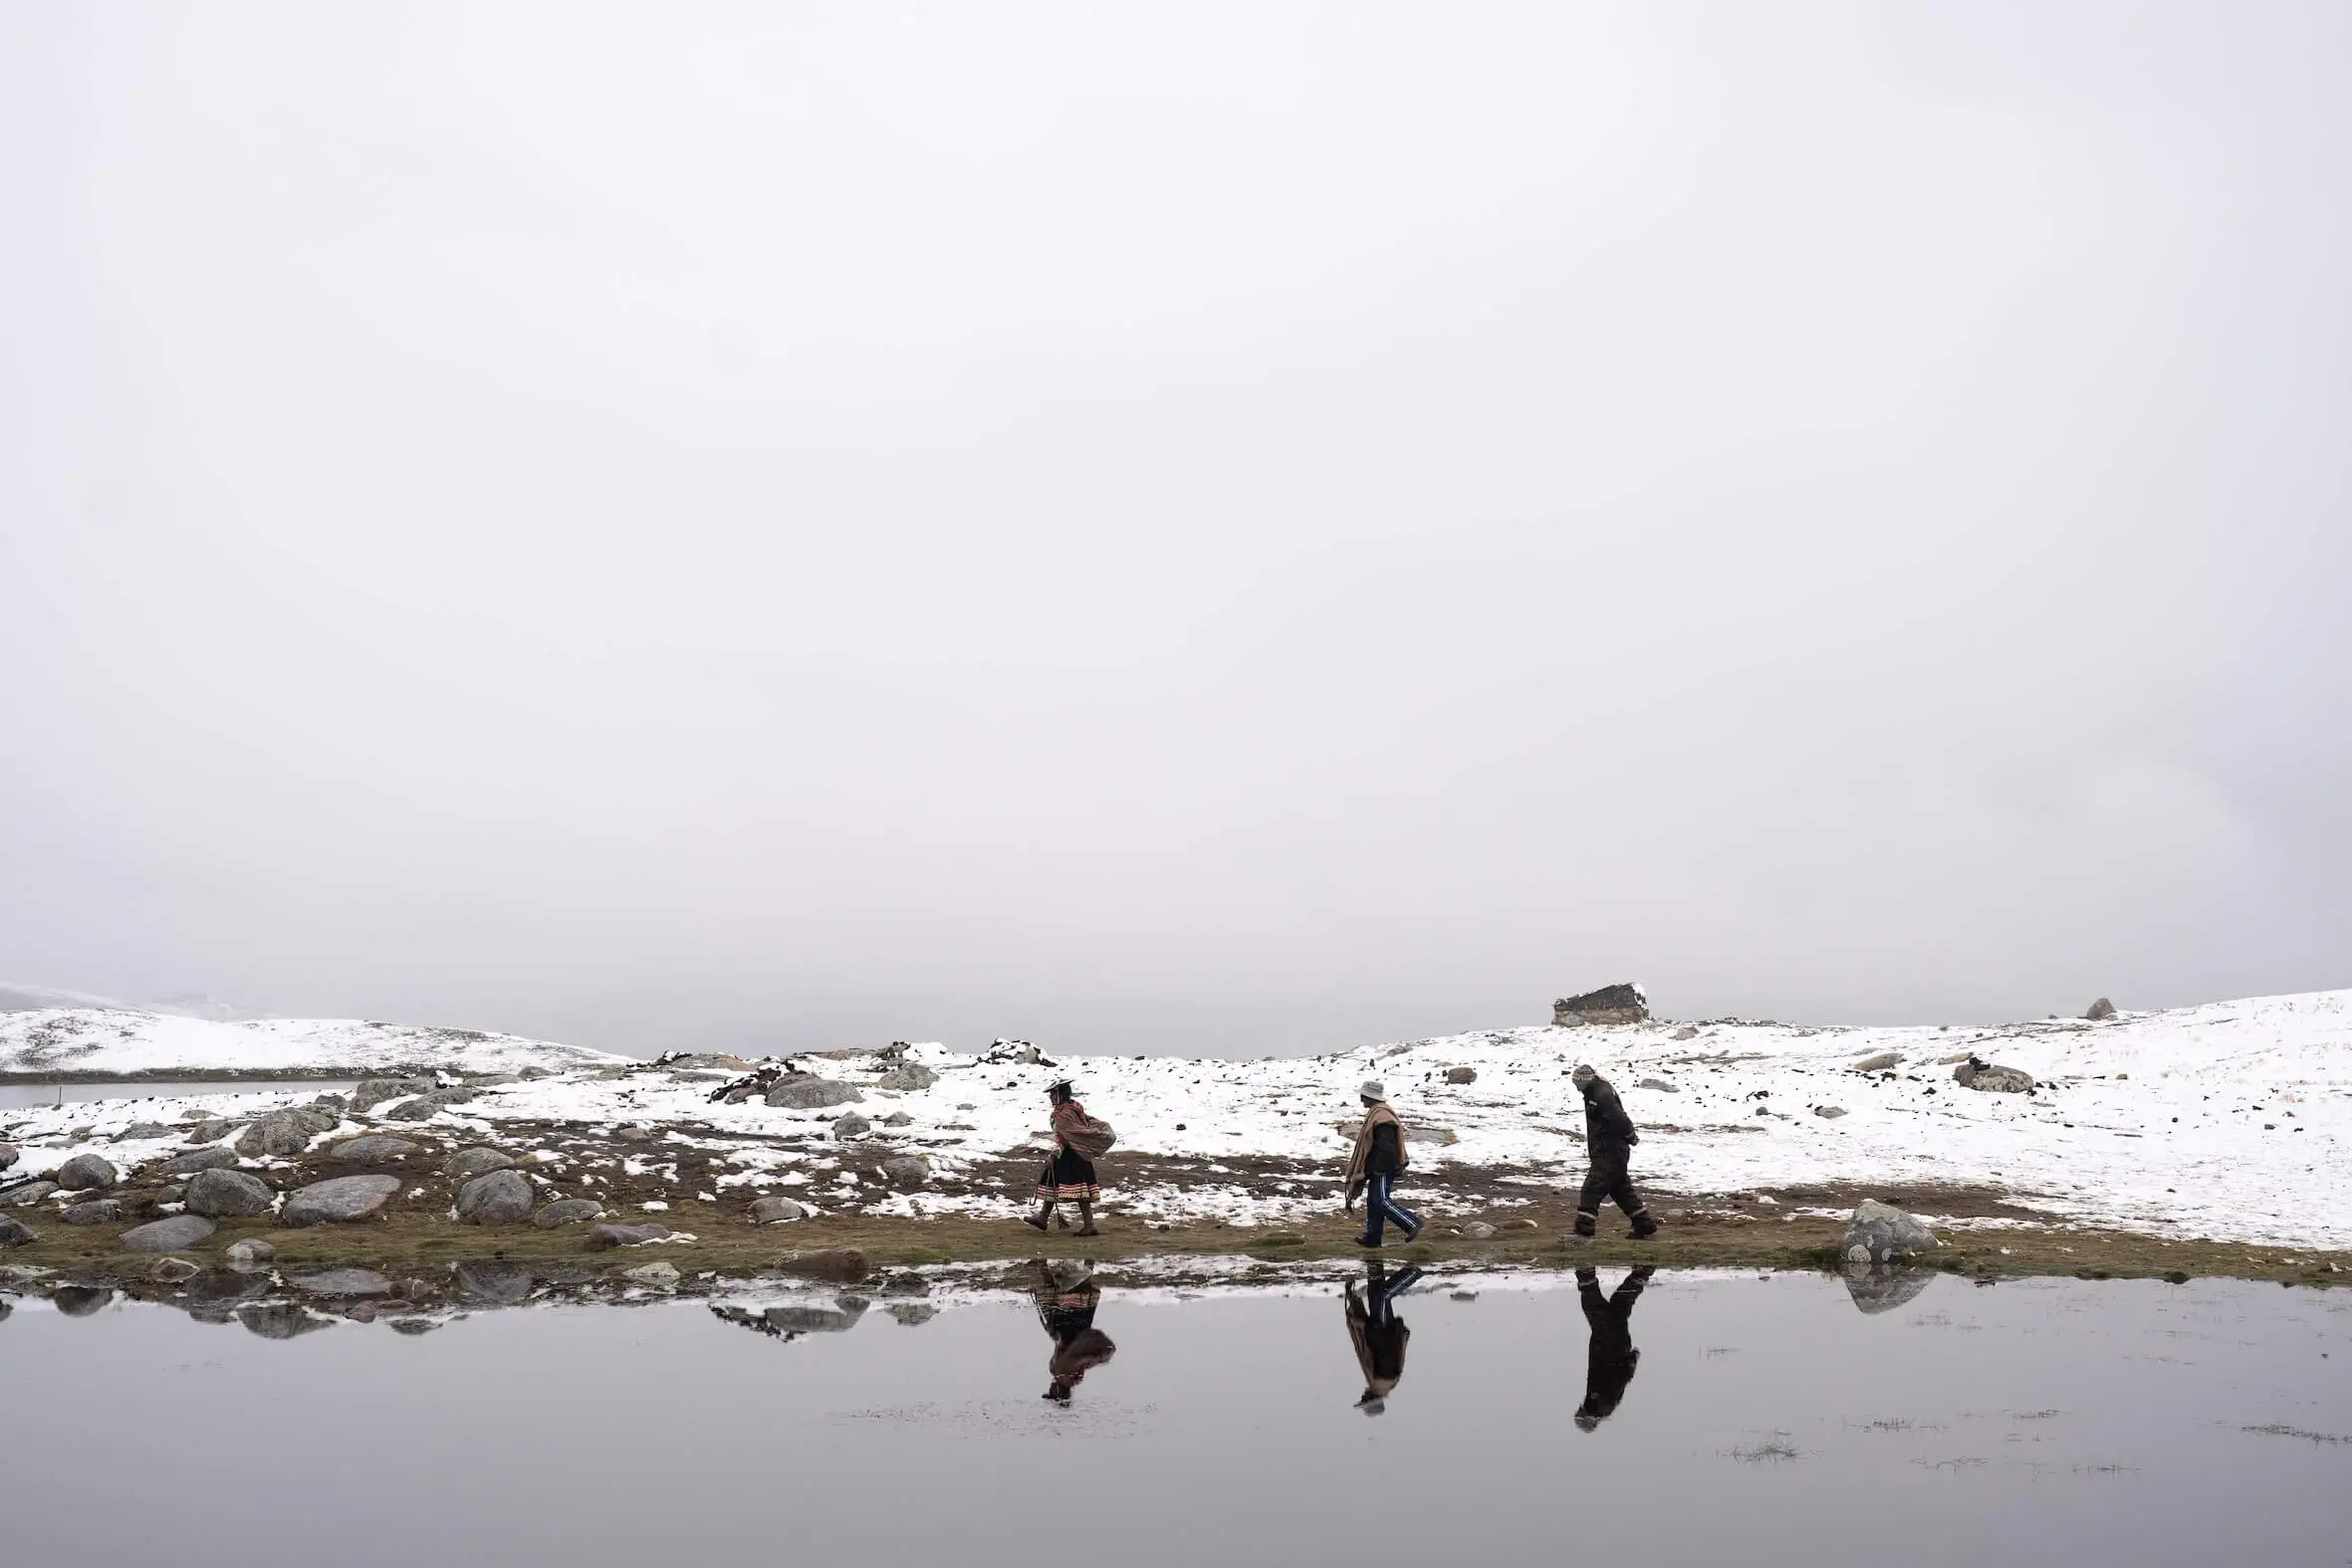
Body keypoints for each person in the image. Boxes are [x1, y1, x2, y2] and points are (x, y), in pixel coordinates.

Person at [1571, 1063, 1658, 1239]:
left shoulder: (1600, 1095)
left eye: (1577, 1084)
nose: (1576, 1088)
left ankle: (1584, 1227)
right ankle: (1643, 1223)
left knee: (1592, 1188)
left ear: (1583, 1081)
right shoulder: (1595, 1090)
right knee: (1620, 1189)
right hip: (1609, 1149)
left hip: (1609, 1150)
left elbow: (1618, 1117)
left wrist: (1630, 1134)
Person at [1574, 1263, 1654, 1430]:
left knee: (1620, 1305)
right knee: (1594, 1307)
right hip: (1609, 1345)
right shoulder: (1601, 1402)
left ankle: (1642, 1273)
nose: (1579, 1408)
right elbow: (1620, 1378)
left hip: (1616, 1345)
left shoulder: (1604, 1404)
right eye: (1580, 1414)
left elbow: (1624, 1378)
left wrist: (1632, 1359)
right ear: (1588, 1417)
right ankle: (1585, 1271)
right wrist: (1631, 1360)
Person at [1343, 1079, 1423, 1247]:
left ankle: (1411, 1223)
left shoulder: (1382, 1117)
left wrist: (1380, 1168)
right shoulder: (1377, 1114)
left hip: (1383, 1168)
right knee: (1373, 1202)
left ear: (1370, 1096)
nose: (1361, 1099)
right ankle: (1372, 1239)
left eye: (1363, 1095)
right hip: (1376, 1168)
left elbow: (1387, 1147)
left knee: (1380, 1200)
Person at [1344, 1257, 1424, 1414]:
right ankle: (1412, 1274)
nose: (1363, 1395)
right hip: (1382, 1329)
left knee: (1374, 1293)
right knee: (1382, 1297)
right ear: (1371, 1398)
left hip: (1379, 1329)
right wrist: (1369, 1328)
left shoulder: (1380, 1380)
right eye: (1364, 1399)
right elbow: (1385, 1349)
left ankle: (1375, 1265)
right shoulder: (1382, 1379)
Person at [1032, 1258, 1116, 1404]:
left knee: (1077, 1294)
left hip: (1076, 1334)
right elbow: (1064, 1353)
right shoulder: (1061, 1374)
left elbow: (1075, 1358)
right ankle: (1042, 1264)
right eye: (1052, 1391)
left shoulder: (1071, 1377)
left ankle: (1088, 1263)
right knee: (1056, 1295)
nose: (1050, 1389)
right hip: (1068, 1332)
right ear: (1057, 1390)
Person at [1025, 1078, 1102, 1236]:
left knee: (1079, 1191)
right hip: (1078, 1154)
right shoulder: (1074, 1110)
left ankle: (1089, 1225)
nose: (1050, 1097)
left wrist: (1053, 1155)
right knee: (1055, 1183)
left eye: (1053, 1093)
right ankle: (1043, 1218)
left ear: (1060, 1094)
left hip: (1071, 1156)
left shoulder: (1064, 1114)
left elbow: (1063, 1138)